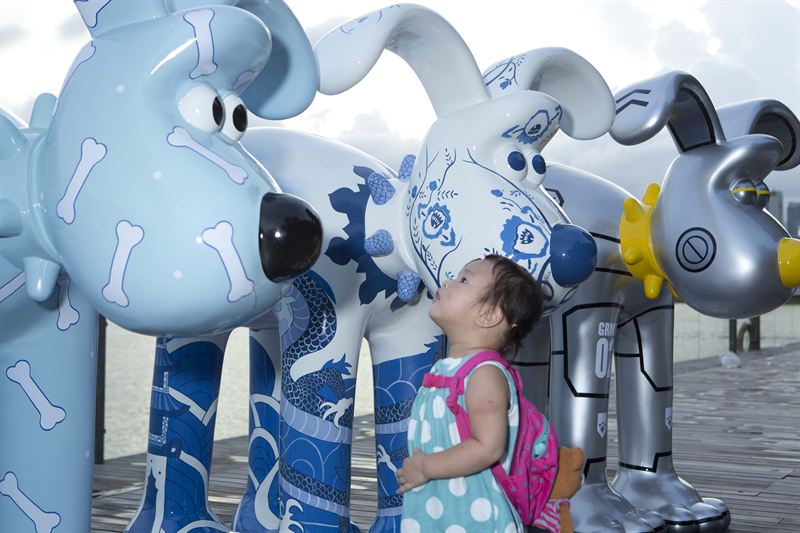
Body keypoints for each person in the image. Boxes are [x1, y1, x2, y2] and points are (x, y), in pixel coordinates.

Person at [397, 254, 545, 533]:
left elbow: (488, 447)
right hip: (441, 514)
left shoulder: (484, 374)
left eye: (463, 280)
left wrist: (426, 467)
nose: (447, 282)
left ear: (489, 315)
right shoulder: (447, 369)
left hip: (478, 519)